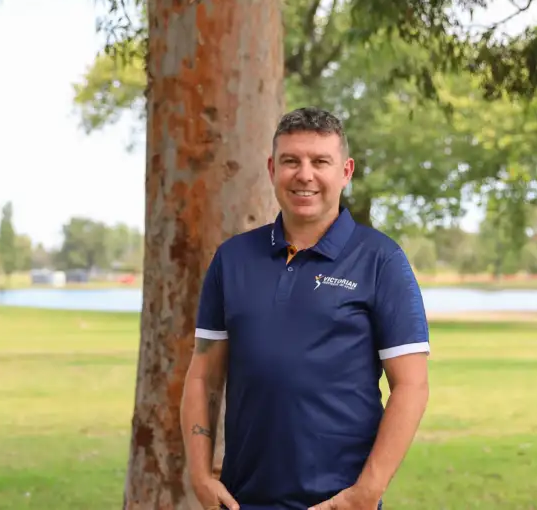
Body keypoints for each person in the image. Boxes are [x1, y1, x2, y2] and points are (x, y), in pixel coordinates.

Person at [180, 107, 431, 510]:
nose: (304, 174)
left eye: (320, 162)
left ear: (345, 171)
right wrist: (199, 476)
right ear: (271, 168)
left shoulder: (382, 260)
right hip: (242, 501)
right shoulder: (232, 259)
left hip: (338, 503)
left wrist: (365, 493)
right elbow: (202, 376)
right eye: (291, 161)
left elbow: (412, 386)